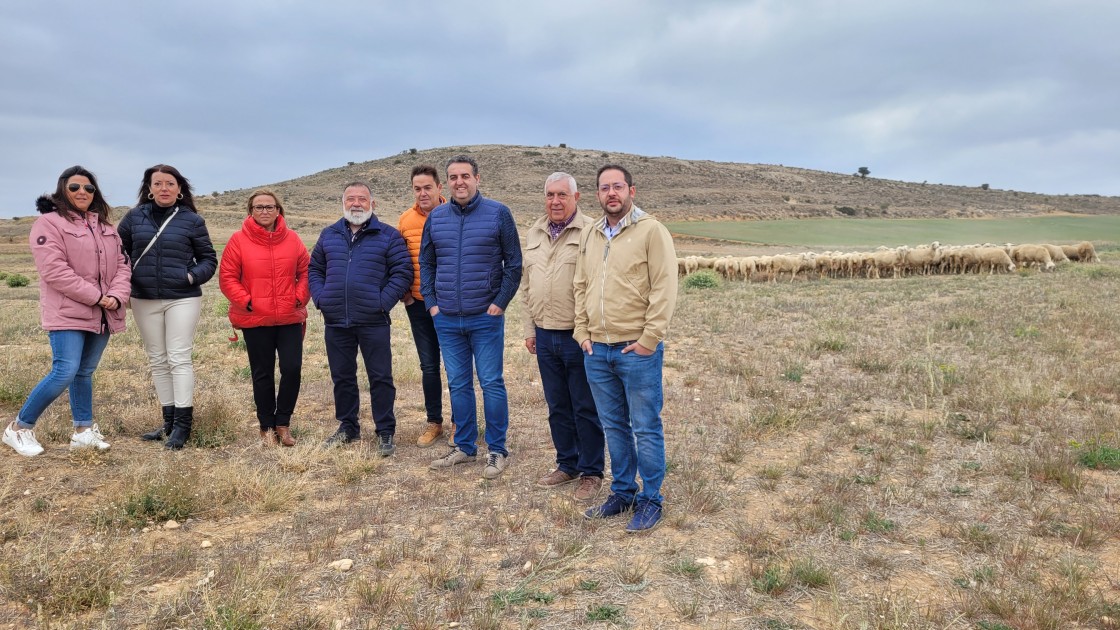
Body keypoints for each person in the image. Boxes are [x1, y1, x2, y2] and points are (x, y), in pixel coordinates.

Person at [574, 164, 677, 533]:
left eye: (618, 186)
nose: (611, 193)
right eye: (605, 188)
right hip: (597, 350)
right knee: (613, 425)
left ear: (632, 191)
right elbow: (581, 284)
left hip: (636, 350)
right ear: (598, 194)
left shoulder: (651, 231)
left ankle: (651, 499)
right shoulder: (590, 233)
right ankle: (622, 492)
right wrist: (582, 332)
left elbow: (665, 287)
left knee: (645, 426)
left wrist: (650, 339)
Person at [3, 166, 130, 457]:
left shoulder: (106, 228)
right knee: (65, 370)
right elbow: (54, 270)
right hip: (69, 312)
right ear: (63, 190)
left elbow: (123, 265)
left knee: (84, 372)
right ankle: (19, 427)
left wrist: (116, 295)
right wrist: (97, 296)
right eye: (75, 187)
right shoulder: (49, 223)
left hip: (104, 312)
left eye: (88, 188)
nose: (82, 192)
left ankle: (83, 430)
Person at [422, 155, 522, 479]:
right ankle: (464, 447)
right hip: (447, 319)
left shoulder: (498, 213)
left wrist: (500, 303)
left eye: (465, 176)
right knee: (458, 383)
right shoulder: (436, 218)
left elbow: (514, 265)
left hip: (485, 316)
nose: (459, 182)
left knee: (491, 382)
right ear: (446, 183)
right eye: (453, 177)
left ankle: (496, 450)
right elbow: (427, 264)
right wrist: (432, 304)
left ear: (478, 178)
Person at [118, 165, 217, 450]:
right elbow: (118, 253)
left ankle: (184, 426)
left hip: (182, 297)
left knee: (178, 357)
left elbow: (209, 259)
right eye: (158, 183)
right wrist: (123, 286)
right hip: (143, 297)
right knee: (158, 359)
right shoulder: (134, 218)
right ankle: (169, 423)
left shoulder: (192, 220)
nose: (164, 188)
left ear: (179, 189)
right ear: (149, 188)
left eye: (169, 183)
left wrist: (189, 277)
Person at [309, 181, 411, 457]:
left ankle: (385, 430)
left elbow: (402, 273)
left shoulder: (388, 236)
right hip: (336, 320)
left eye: (362, 199)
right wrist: (321, 299)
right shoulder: (329, 235)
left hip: (373, 320)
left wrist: (381, 303)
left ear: (372, 204)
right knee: (342, 376)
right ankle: (348, 426)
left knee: (380, 377)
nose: (356, 204)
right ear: (343, 204)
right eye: (350, 199)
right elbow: (315, 269)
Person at [519, 172, 605, 501]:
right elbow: (528, 287)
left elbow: (595, 286)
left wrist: (588, 333)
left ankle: (592, 471)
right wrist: (530, 330)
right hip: (544, 334)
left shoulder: (591, 232)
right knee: (557, 406)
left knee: (585, 406)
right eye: (550, 195)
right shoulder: (535, 232)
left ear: (576, 197)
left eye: (562, 195)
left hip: (578, 336)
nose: (555, 201)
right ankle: (566, 464)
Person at [219, 190, 310, 447]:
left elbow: (306, 271)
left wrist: (299, 297)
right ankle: (266, 427)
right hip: (255, 318)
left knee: (292, 369)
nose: (264, 211)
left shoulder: (292, 239)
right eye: (258, 207)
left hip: (289, 317)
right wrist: (247, 302)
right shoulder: (238, 240)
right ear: (251, 211)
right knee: (262, 373)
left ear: (278, 210)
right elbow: (227, 277)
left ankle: (283, 424)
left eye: (269, 207)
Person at [398, 165, 454, 448]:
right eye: (417, 188)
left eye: (427, 187)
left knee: (456, 365)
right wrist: (406, 294)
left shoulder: (455, 214)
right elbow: (399, 260)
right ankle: (435, 422)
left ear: (439, 188)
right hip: (419, 304)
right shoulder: (405, 220)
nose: (422, 193)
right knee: (429, 365)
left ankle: (460, 422)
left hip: (451, 304)